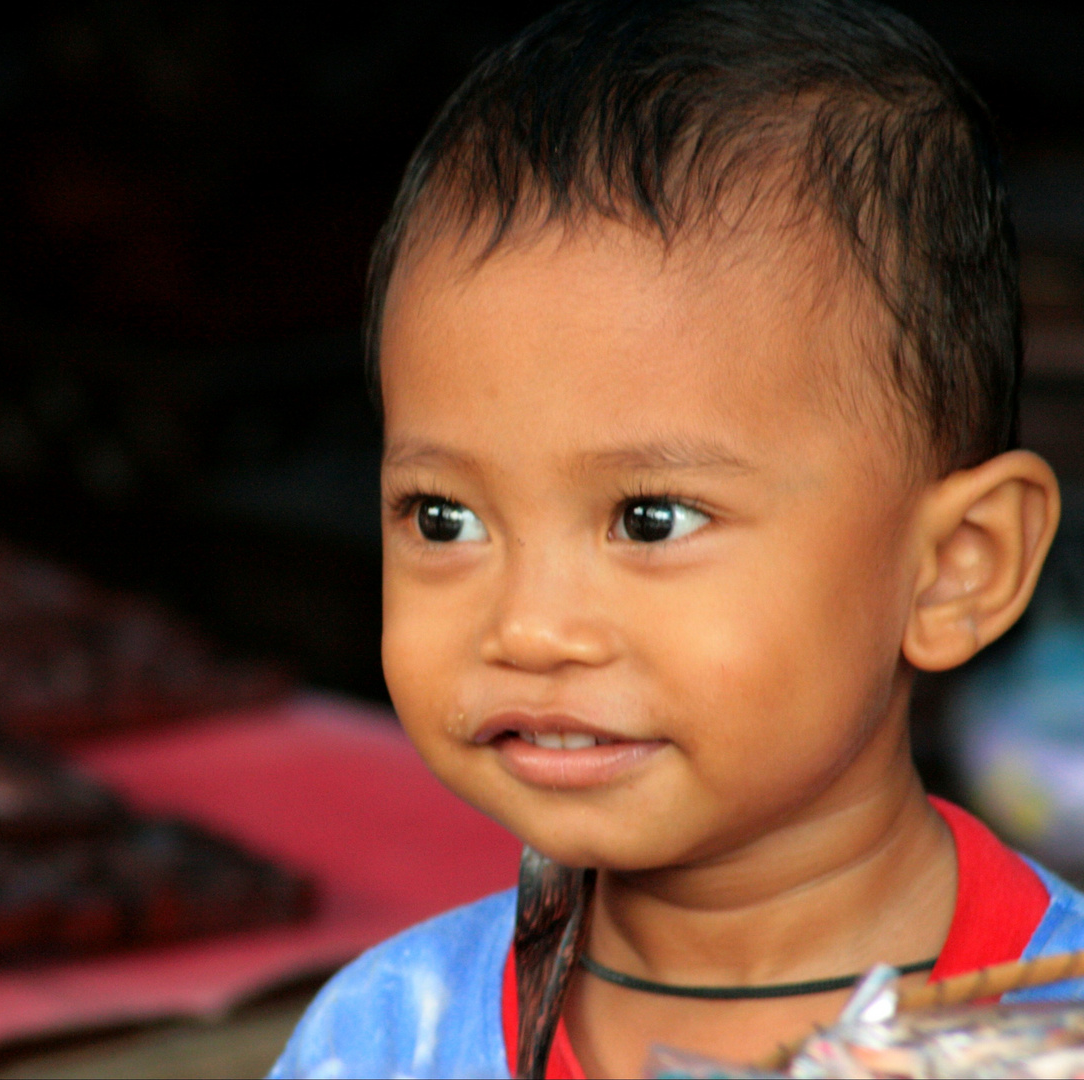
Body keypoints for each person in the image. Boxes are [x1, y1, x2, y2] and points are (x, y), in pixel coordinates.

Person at [269, 1, 1084, 1076]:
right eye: (443, 518)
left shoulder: (1051, 1036)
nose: (530, 626)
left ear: (951, 570)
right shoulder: (387, 1037)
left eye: (649, 520)